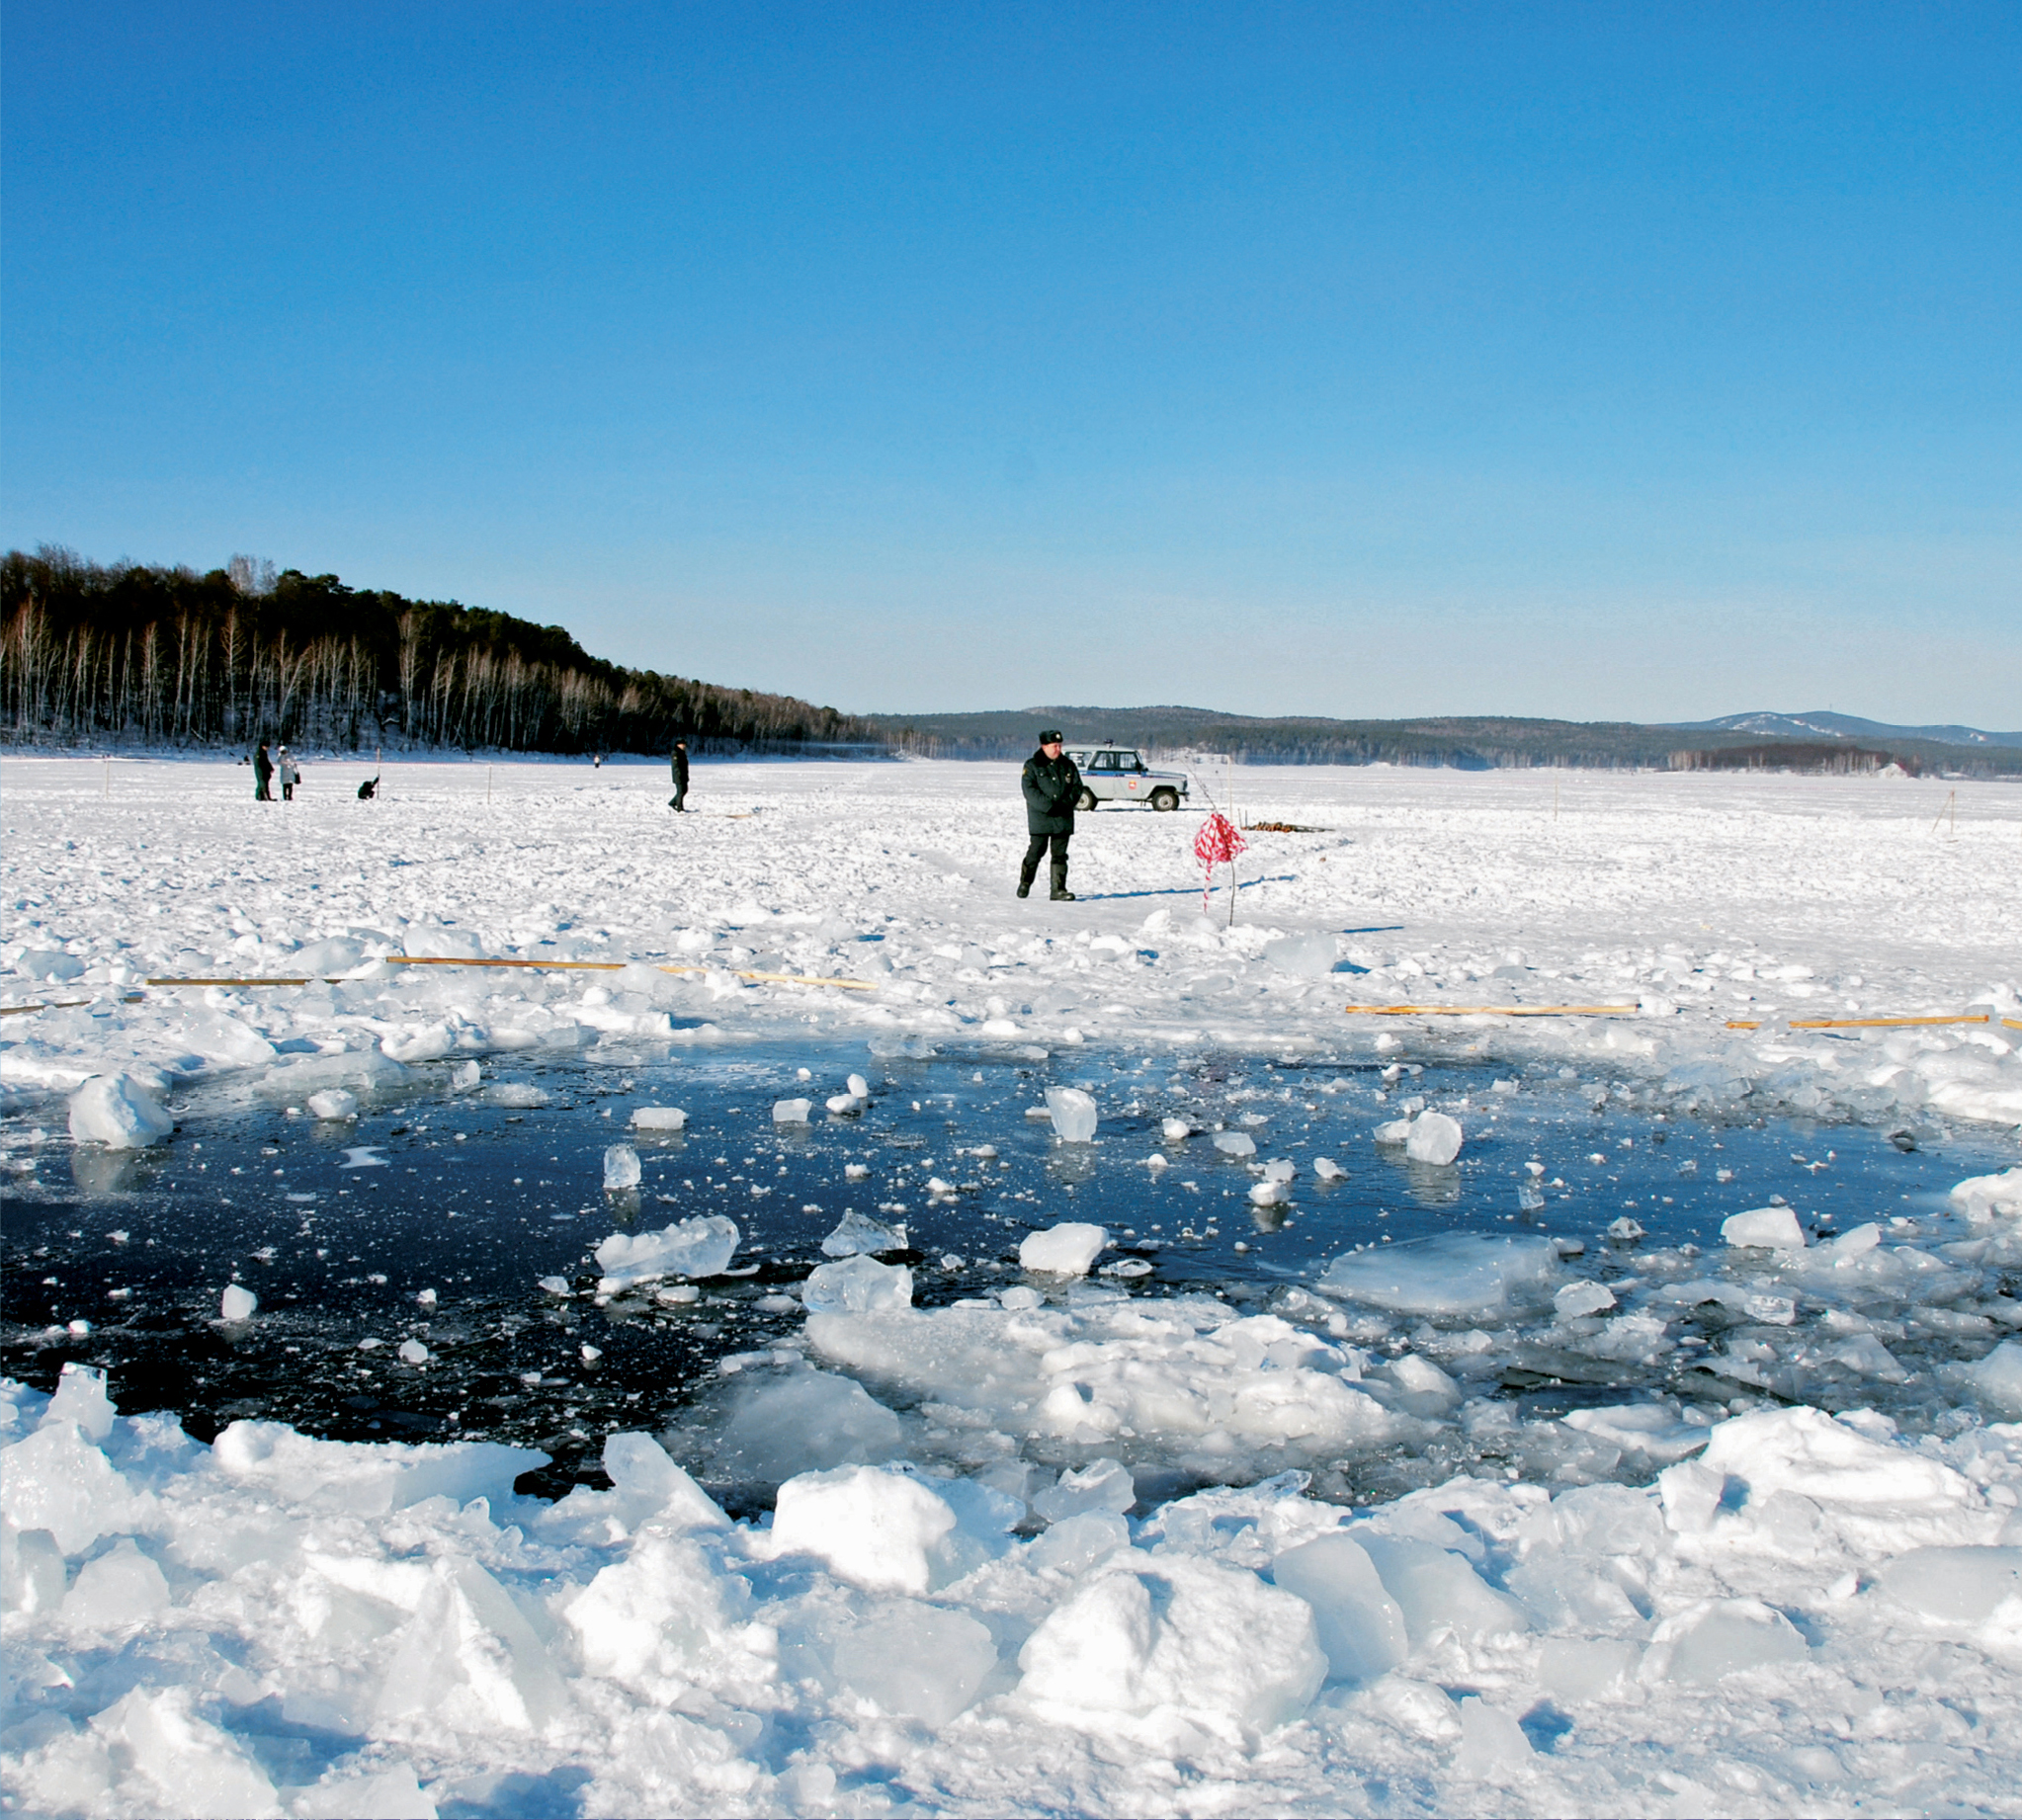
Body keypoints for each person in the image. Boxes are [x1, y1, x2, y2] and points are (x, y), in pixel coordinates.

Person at [1018, 728, 1082, 900]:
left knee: (1060, 855)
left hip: (1063, 818)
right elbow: (1030, 791)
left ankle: (1058, 889)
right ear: (1044, 746)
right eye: (1054, 746)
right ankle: (1025, 882)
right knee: (1036, 852)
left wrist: (1065, 805)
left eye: (1060, 745)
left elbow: (1077, 788)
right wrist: (1048, 807)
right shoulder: (1032, 765)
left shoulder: (1068, 765)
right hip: (1041, 819)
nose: (1058, 749)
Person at [669, 739, 690, 812]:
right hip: (679, 776)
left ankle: (672, 803)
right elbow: (676, 765)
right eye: (682, 744)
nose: (684, 746)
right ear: (678, 745)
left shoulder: (682, 752)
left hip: (684, 775)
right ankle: (679, 808)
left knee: (684, 790)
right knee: (680, 792)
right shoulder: (676, 753)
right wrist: (679, 774)